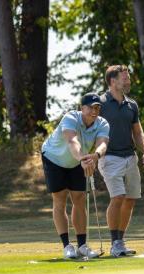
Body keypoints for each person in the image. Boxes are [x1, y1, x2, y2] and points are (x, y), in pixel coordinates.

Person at [41, 93, 110, 259]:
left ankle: (82, 246)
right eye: (91, 107)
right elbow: (73, 141)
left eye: (97, 107)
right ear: (82, 108)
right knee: (60, 199)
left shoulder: (102, 123)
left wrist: (95, 156)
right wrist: (83, 159)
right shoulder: (70, 118)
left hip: (80, 160)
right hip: (54, 158)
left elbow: (102, 143)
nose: (94, 111)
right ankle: (67, 246)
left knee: (79, 199)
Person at [98, 65, 144, 257]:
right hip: (109, 157)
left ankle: (120, 241)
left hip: (130, 157)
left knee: (130, 199)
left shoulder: (132, 105)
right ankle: (115, 243)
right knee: (118, 197)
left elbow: (138, 132)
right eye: (125, 78)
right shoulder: (101, 103)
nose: (128, 81)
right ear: (113, 81)